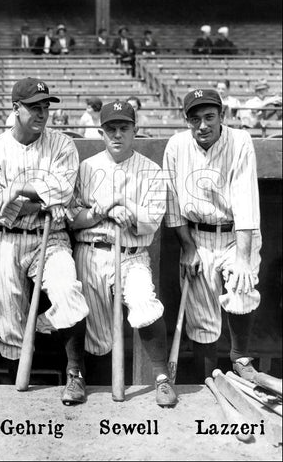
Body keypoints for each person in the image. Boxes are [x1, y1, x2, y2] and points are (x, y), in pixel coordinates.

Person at [0, 78, 89, 405]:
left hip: (51, 237)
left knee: (67, 290)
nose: (42, 113)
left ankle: (75, 374)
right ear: (15, 108)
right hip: (6, 238)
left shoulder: (62, 144)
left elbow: (65, 192)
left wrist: (17, 189)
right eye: (33, 107)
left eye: (45, 107)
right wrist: (42, 200)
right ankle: (16, 390)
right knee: (8, 315)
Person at [69, 101, 177, 407]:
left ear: (135, 131)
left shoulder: (151, 171)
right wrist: (99, 212)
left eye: (124, 128)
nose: (117, 134)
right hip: (91, 251)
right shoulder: (86, 168)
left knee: (144, 301)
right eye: (111, 129)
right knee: (94, 331)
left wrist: (126, 209)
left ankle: (161, 377)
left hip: (132, 255)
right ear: (101, 132)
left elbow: (152, 222)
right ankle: (78, 378)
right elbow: (72, 220)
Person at [163, 88, 263, 383]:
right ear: (187, 121)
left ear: (223, 116)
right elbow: (173, 205)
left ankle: (240, 360)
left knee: (242, 286)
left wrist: (243, 259)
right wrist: (188, 247)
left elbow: (245, 201)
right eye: (195, 119)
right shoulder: (177, 145)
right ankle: (208, 380)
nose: (203, 125)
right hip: (197, 236)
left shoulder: (240, 141)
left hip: (236, 234)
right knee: (201, 313)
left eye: (209, 117)